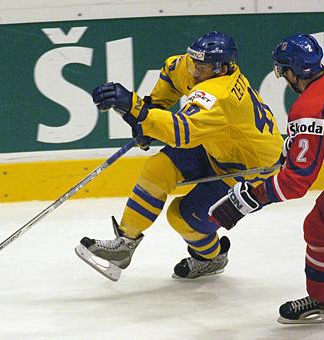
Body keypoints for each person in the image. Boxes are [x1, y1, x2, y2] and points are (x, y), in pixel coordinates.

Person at [75, 31, 283, 282]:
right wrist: (145, 116)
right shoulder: (190, 65)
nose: (195, 71)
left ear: (223, 67)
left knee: (183, 217)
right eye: (194, 62)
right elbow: (170, 79)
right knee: (158, 168)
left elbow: (181, 132)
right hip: (215, 146)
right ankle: (124, 244)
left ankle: (211, 258)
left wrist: (135, 108)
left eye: (203, 67)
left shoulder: (221, 94)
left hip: (250, 173)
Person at [208, 34, 324, 324]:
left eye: (283, 71)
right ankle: (323, 298)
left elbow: (295, 183)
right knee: (321, 227)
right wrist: (294, 147)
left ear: (293, 72)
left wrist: (248, 199)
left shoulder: (310, 109)